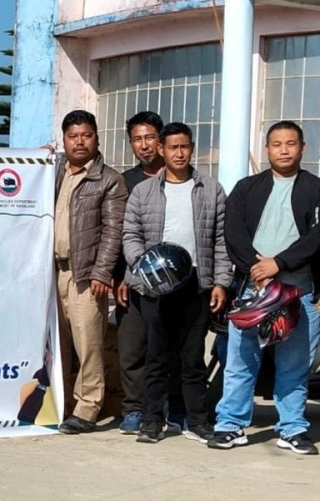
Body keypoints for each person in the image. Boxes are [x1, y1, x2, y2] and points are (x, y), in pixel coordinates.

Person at [208, 121, 320, 455]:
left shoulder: (315, 188)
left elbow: (317, 238)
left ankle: (292, 428)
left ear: (303, 148)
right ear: (267, 148)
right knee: (241, 362)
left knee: (294, 365)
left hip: (299, 292)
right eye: (276, 144)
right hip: (252, 291)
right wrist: (256, 267)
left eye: (290, 144)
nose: (283, 150)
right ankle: (230, 425)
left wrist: (280, 263)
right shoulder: (246, 188)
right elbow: (233, 233)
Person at [121, 122, 230, 444]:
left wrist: (221, 282)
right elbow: (131, 234)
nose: (179, 153)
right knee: (156, 356)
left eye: (184, 147)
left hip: (197, 282)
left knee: (192, 358)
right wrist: (145, 267)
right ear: (161, 150)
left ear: (191, 148)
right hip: (155, 284)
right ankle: (152, 421)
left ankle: (196, 420)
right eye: (172, 148)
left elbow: (220, 241)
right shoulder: (143, 191)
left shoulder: (211, 189)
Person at [53, 109, 127, 434]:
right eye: (73, 136)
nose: (79, 142)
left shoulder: (109, 180)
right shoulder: (53, 172)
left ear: (97, 137)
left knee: (89, 345)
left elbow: (114, 231)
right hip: (49, 274)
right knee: (56, 344)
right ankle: (57, 404)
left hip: (85, 276)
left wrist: (102, 272)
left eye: (86, 135)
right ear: (64, 140)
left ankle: (87, 408)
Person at [112, 111, 165, 435]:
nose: (144, 145)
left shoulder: (182, 179)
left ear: (161, 140)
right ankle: (133, 409)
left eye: (149, 138)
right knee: (132, 349)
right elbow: (116, 232)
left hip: (173, 282)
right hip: (131, 280)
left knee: (169, 348)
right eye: (137, 139)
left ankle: (167, 409)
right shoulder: (124, 182)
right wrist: (119, 275)